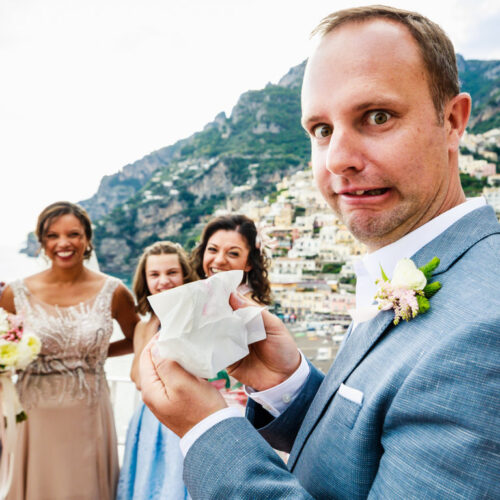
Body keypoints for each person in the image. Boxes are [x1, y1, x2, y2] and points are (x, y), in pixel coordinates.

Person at [140, 6, 500, 499]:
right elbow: (371, 446)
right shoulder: (415, 266)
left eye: (377, 117)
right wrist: (288, 384)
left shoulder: (487, 330)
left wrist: (207, 429)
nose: (337, 159)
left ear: (454, 120)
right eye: (321, 130)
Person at [0, 201, 139, 500]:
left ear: (87, 239)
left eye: (73, 234)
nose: (63, 243)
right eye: (53, 236)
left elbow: (137, 338)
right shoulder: (15, 293)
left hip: (88, 410)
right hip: (33, 412)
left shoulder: (115, 291)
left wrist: (96, 356)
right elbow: (5, 344)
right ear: (42, 242)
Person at [117, 241, 197, 500]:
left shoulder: (197, 318)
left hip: (185, 414)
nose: (164, 281)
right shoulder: (144, 326)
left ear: (184, 275)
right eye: (155, 274)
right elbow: (138, 379)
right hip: (149, 418)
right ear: (145, 280)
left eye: (172, 272)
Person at [190, 213, 272, 306]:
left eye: (233, 253)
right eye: (212, 249)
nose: (219, 260)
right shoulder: (201, 295)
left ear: (249, 263)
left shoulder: (249, 311)